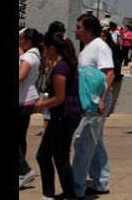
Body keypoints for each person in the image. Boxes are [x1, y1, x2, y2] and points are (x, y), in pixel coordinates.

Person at [72, 14, 115, 198]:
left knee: (84, 142)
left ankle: (77, 186)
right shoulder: (89, 47)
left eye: (79, 27)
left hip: (96, 101)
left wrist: (101, 99)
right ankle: (100, 181)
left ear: (89, 30)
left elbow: (109, 73)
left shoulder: (100, 47)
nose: (76, 30)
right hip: (91, 100)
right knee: (95, 143)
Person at [35, 32, 82, 200]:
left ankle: (70, 195)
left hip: (64, 117)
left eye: (44, 48)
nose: (43, 51)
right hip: (63, 116)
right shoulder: (65, 64)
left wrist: (39, 105)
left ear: (52, 48)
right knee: (44, 155)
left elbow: (60, 98)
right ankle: (48, 194)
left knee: (60, 158)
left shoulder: (61, 67)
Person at [19, 28, 44, 189]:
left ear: (28, 41)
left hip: (23, 101)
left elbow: (20, 76)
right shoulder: (34, 54)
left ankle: (25, 170)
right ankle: (21, 172)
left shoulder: (28, 57)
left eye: (21, 39)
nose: (19, 41)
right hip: (27, 100)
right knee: (20, 138)